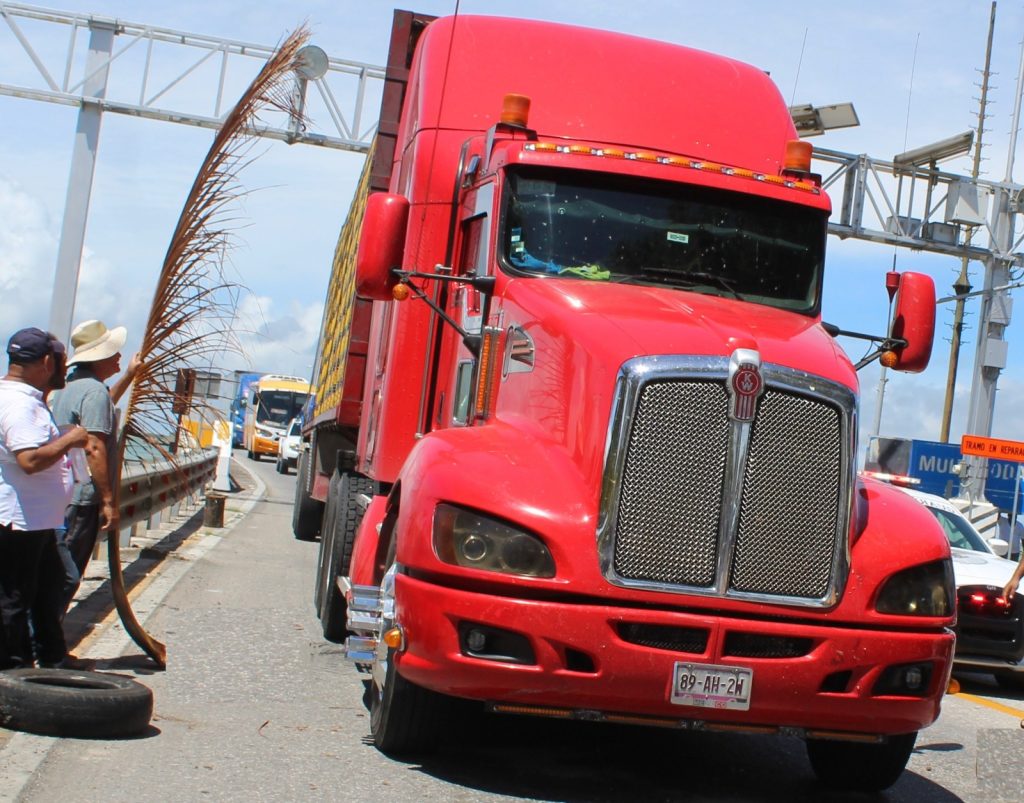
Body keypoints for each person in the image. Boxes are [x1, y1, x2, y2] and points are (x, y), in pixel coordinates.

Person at [0, 328, 88, 669]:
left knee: (46, 589)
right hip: (21, 519)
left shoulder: (15, 396)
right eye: (61, 362)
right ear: (47, 362)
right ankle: (13, 673)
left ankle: (49, 658)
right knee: (14, 599)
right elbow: (30, 460)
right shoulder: (21, 404)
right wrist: (72, 439)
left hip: (36, 518)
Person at [49, 320, 139, 609]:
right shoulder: (94, 393)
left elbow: (102, 404)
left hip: (60, 494)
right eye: (114, 353)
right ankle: (43, 643)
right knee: (68, 574)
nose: (118, 358)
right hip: (82, 498)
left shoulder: (68, 386)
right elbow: (95, 448)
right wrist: (109, 501)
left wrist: (128, 376)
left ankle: (42, 640)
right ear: (99, 357)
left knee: (54, 569)